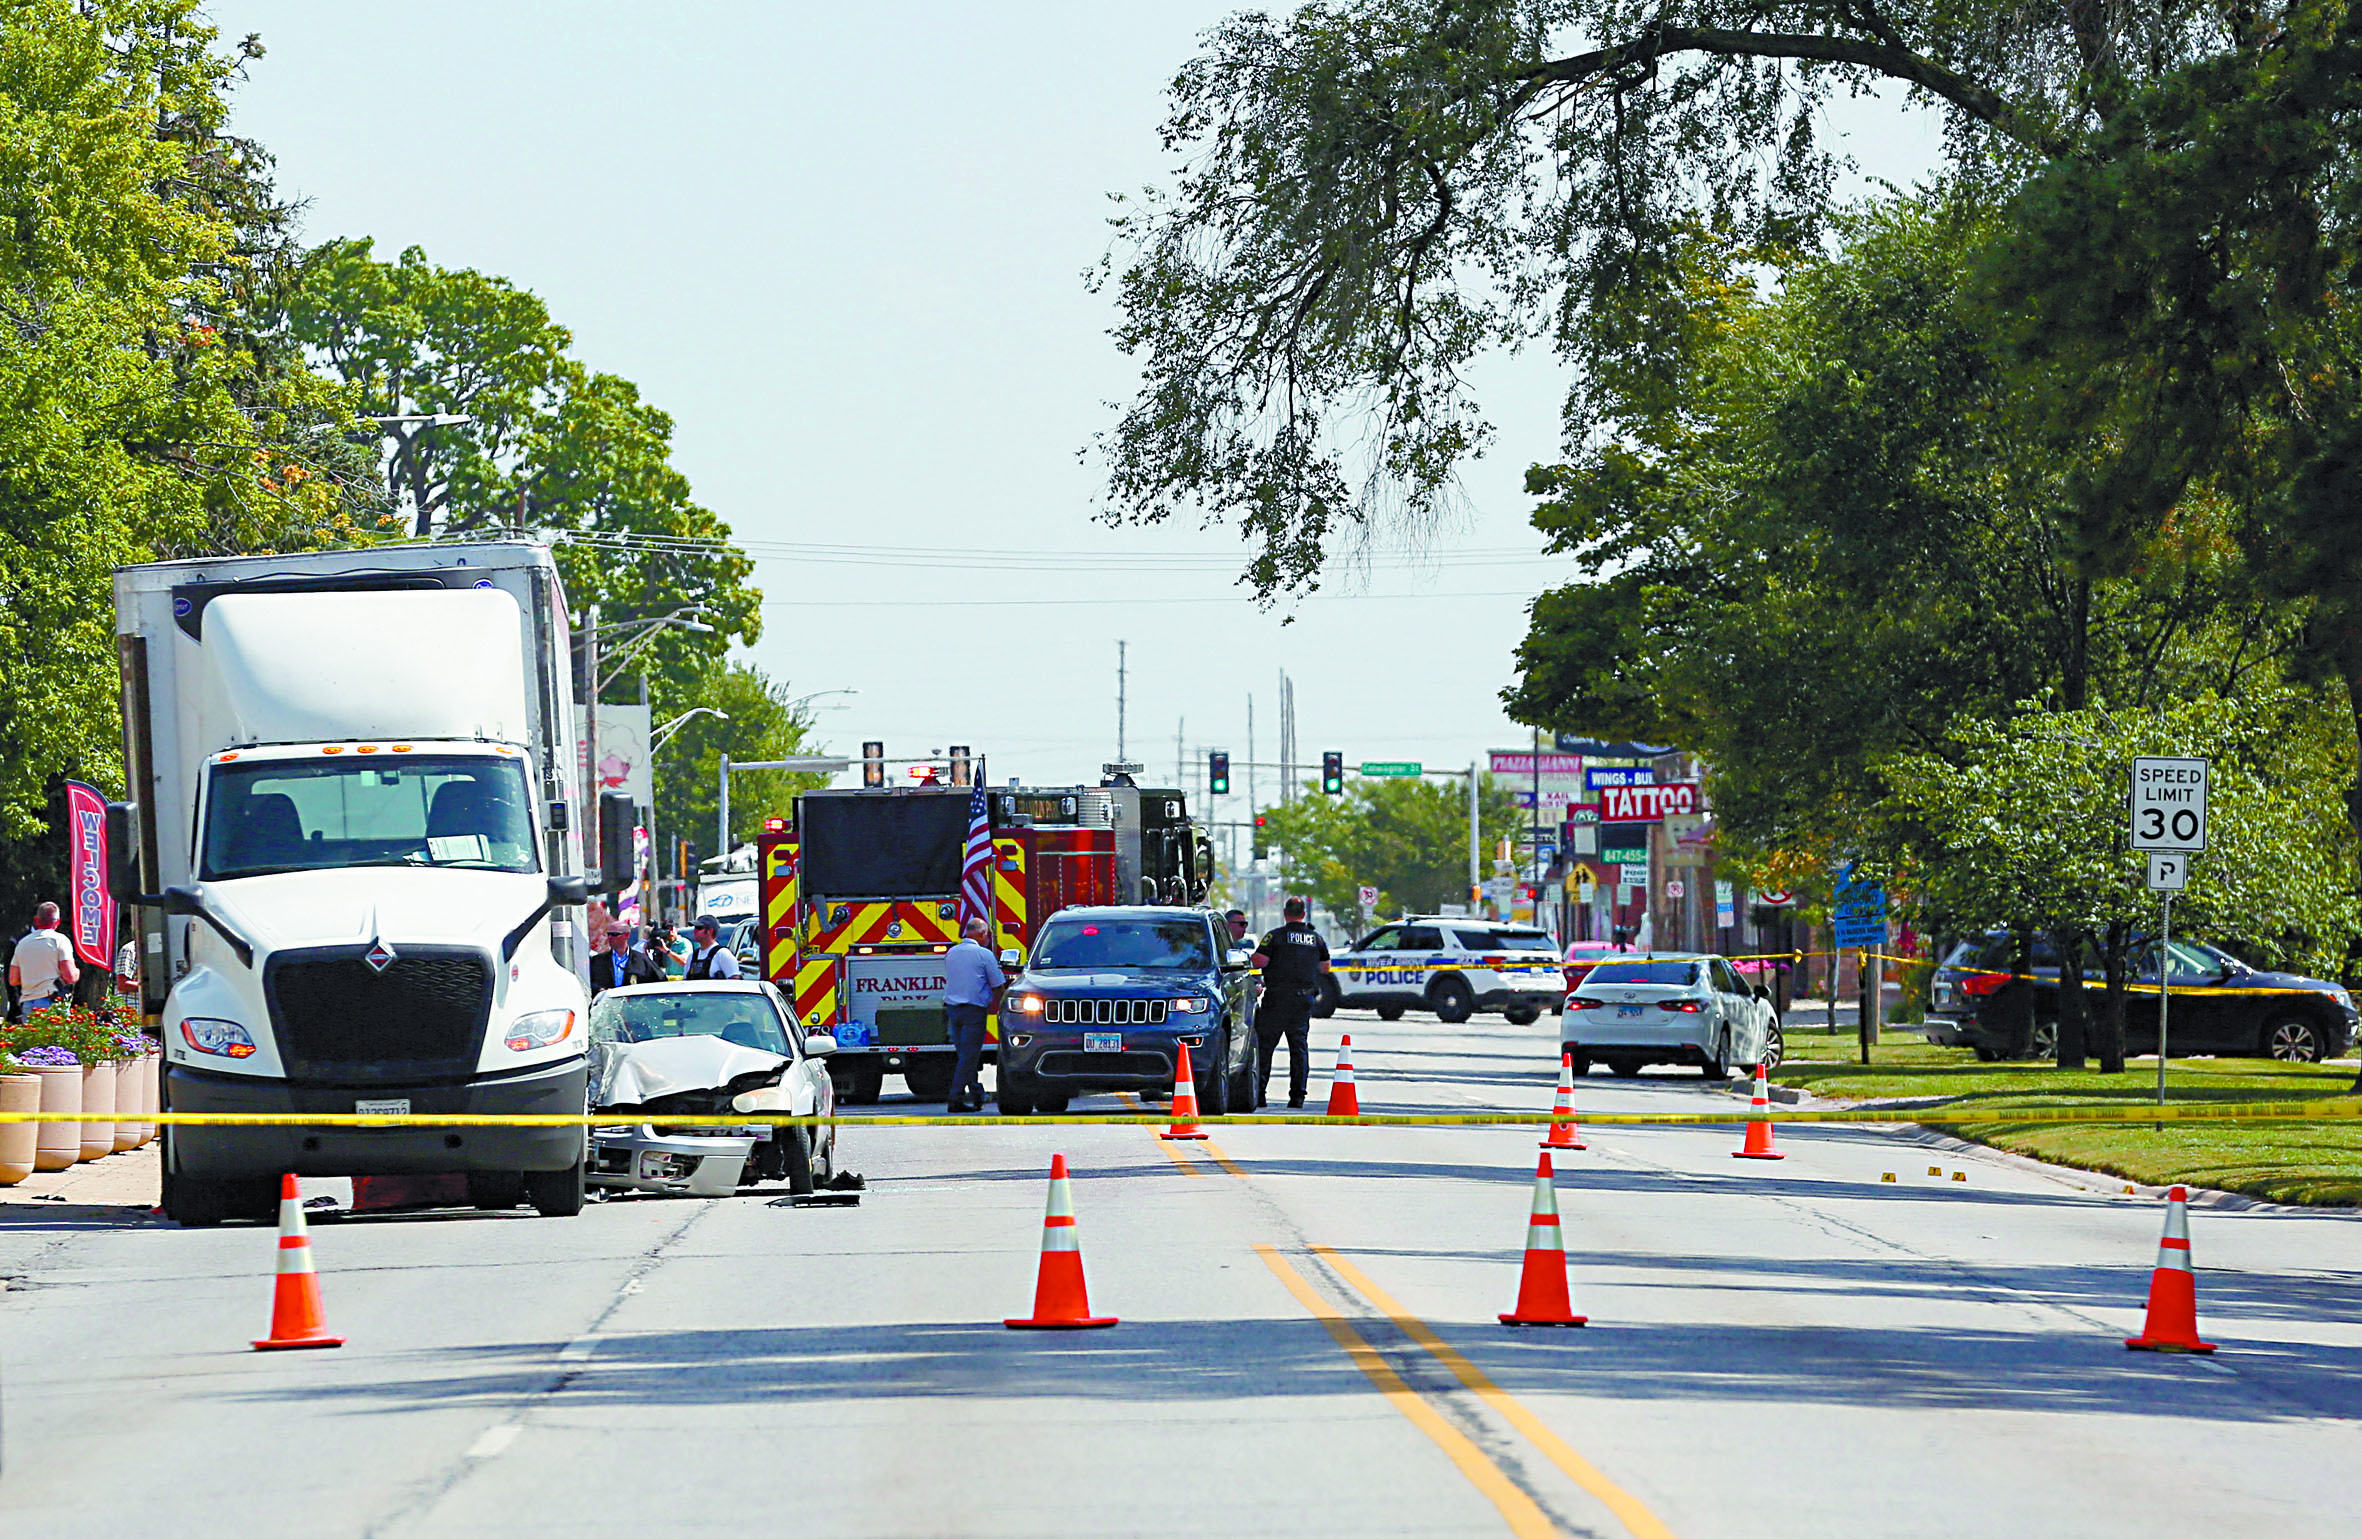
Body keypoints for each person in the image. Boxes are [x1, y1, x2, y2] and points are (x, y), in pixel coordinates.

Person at [1252, 896, 1330, 1109]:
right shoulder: (1316, 938)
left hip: (1277, 999)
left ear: (1285, 914)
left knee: (1266, 1048)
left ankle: (1259, 1093)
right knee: (1298, 1049)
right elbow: (1325, 967)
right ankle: (1297, 1097)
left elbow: (1259, 961)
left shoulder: (1274, 937)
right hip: (1302, 1000)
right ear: (1303, 914)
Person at [941, 916, 1006, 1113]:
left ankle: (976, 1093)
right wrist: (1005, 1007)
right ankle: (955, 1098)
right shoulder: (983, 955)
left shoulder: (952, 953)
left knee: (964, 1055)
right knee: (969, 1056)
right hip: (973, 1011)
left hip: (953, 1010)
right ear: (982, 934)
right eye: (987, 934)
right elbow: (998, 985)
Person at [9, 902, 80, 1016]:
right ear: (57, 922)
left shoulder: (22, 943)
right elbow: (70, 976)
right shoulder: (60, 940)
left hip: (27, 1002)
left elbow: (13, 979)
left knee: (32, 1034)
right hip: (51, 1001)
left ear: (36, 920)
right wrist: (77, 972)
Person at [591, 924, 663, 995]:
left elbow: (660, 981)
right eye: (608, 934)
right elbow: (590, 984)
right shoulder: (598, 961)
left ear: (626, 935)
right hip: (606, 1004)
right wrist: (599, 989)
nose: (610, 937)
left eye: (614, 934)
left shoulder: (642, 960)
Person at [684, 916, 742, 980]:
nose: (695, 931)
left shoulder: (722, 954)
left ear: (710, 931)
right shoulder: (692, 957)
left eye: (699, 928)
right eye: (695, 928)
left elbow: (735, 981)